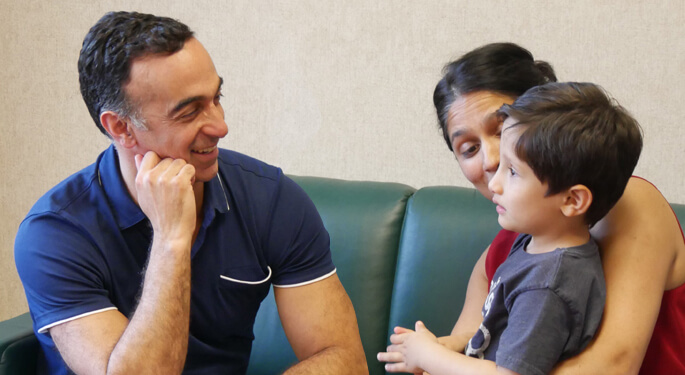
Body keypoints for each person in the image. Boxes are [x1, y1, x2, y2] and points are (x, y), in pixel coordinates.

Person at [14, 11, 367, 375]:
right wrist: (171, 239)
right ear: (121, 128)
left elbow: (344, 358)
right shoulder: (55, 233)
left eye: (217, 97)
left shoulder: (271, 197)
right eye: (189, 112)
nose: (221, 125)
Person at [385, 42, 685, 374]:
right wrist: (433, 351)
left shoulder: (630, 203)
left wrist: (434, 358)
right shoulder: (503, 253)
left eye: (501, 131)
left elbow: (612, 365)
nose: (491, 160)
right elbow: (478, 342)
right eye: (469, 148)